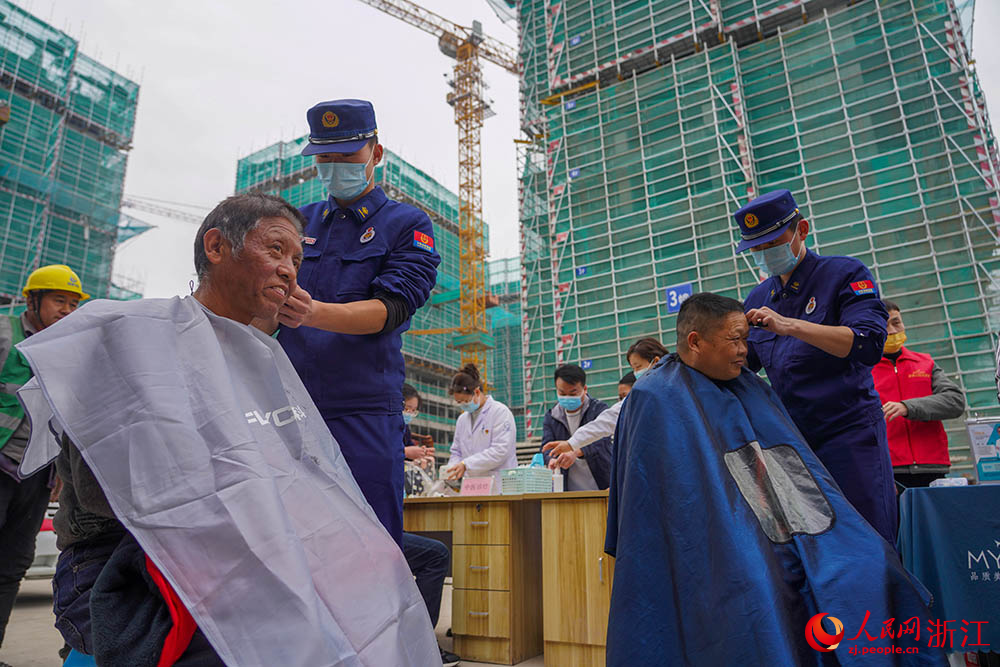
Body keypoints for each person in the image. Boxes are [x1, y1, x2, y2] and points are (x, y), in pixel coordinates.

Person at [14, 194, 439, 665]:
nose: (289, 271)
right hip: (125, 561)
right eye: (275, 250)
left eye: (297, 260)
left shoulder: (265, 363)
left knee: (371, 585)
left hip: (237, 554)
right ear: (216, 247)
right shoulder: (131, 338)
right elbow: (111, 496)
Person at [605, 293, 941, 665]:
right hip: (716, 544)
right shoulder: (655, 396)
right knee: (757, 582)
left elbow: (793, 469)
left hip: (784, 525)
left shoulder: (750, 386)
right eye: (735, 340)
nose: (743, 351)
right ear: (695, 342)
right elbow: (662, 502)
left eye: (746, 340)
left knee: (873, 561)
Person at [263, 99, 441, 546]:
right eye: (325, 157)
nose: (334, 166)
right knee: (289, 543)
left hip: (362, 412)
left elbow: (391, 310)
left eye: (347, 155)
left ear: (375, 153)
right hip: (289, 409)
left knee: (369, 544)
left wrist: (313, 313)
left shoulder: (407, 224)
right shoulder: (296, 222)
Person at [735, 189, 896, 544]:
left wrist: (791, 325)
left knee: (869, 536)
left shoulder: (844, 274)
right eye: (756, 248)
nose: (765, 254)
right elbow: (743, 367)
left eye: (772, 243)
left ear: (802, 230)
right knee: (812, 544)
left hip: (849, 434)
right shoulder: (758, 299)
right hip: (792, 444)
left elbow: (868, 343)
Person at [0, 264, 87, 648]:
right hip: (2, 464)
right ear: (32, 300)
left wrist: (62, 473)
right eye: (58, 301)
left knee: (13, 565)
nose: (66, 310)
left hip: (36, 477)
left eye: (73, 304)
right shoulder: (4, 333)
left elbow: (64, 417)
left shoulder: (67, 350)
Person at [873, 300, 965, 488]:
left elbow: (955, 401)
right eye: (884, 325)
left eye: (896, 322)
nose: (892, 331)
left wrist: (907, 407)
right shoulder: (862, 370)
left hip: (932, 467)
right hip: (887, 470)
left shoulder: (925, 363)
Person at [543, 338, 667, 469]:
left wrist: (574, 448)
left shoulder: (597, 408)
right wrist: (570, 444)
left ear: (656, 362)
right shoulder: (552, 416)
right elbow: (604, 423)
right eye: (633, 369)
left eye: (638, 367)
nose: (636, 373)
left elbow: (602, 437)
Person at [539, 364, 613, 490]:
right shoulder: (552, 416)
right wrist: (550, 459)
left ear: (585, 389)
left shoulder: (598, 409)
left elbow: (602, 440)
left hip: (602, 482)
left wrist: (575, 452)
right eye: (562, 393)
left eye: (573, 393)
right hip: (568, 488)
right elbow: (546, 446)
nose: (567, 397)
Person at [444, 364, 516, 490]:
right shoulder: (462, 420)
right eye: (459, 402)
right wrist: (452, 468)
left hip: (499, 485)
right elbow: (456, 451)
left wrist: (466, 464)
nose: (463, 405)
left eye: (465, 401)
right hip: (472, 486)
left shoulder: (500, 412)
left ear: (477, 392)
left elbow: (500, 450)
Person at [403, 383, 434, 469]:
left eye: (413, 410)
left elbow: (409, 447)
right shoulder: (382, 425)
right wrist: (405, 452)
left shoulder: (405, 428)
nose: (409, 413)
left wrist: (421, 452)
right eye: (406, 409)